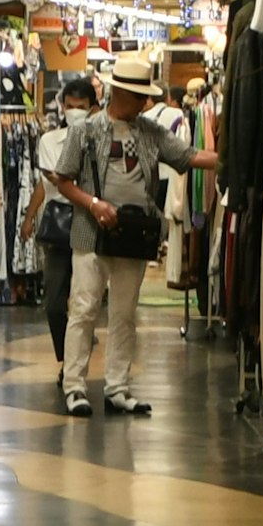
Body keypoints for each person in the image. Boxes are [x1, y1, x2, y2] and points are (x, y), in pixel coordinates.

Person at [48, 45, 215, 418]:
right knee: (84, 309)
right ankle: (75, 386)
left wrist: (232, 159)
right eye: (139, 96)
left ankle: (117, 387)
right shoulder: (86, 131)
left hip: (134, 235)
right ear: (119, 92)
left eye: (145, 97)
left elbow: (187, 156)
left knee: (125, 313)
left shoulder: (152, 133)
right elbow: (63, 179)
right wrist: (94, 204)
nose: (142, 103)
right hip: (91, 233)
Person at [40, 74, 95, 374]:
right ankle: (65, 356)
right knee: (54, 300)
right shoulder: (49, 141)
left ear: (92, 108)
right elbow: (56, 178)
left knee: (86, 303)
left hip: (88, 222)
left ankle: (74, 367)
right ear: (62, 107)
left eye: (81, 106)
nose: (75, 111)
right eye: (71, 105)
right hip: (59, 224)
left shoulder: (99, 139)